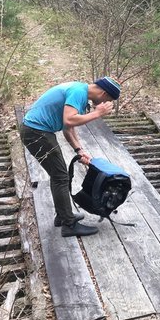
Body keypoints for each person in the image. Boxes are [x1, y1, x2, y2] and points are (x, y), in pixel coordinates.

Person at [21, 77, 121, 237]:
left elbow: (68, 127)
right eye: (107, 100)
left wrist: (79, 150)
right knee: (60, 177)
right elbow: (69, 119)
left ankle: (62, 215)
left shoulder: (80, 92)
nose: (103, 104)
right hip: (36, 132)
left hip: (36, 131)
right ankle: (69, 224)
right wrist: (97, 113)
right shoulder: (78, 92)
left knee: (58, 175)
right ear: (103, 94)